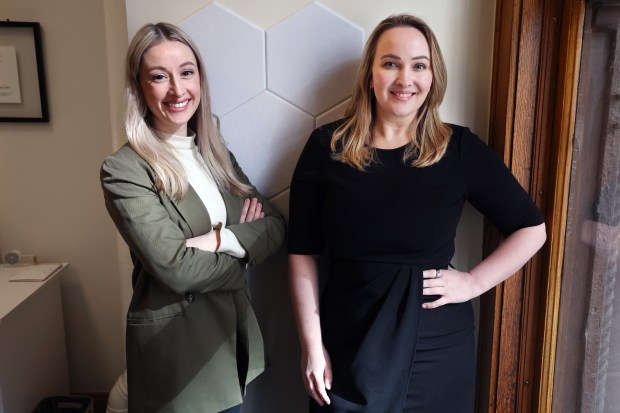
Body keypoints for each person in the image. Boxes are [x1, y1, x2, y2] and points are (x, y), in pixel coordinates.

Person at [287, 13, 547, 412]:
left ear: (432, 76)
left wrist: (474, 282)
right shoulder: (327, 146)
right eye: (390, 63)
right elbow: (302, 251)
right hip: (347, 339)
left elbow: (532, 228)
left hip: (435, 346)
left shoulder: (458, 149)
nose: (405, 79)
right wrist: (311, 343)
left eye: (418, 65)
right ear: (370, 75)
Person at [100, 22, 286, 413]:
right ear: (139, 87)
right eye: (159, 77)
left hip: (230, 339)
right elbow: (176, 268)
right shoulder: (125, 169)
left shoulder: (214, 154)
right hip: (179, 348)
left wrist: (219, 241)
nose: (177, 90)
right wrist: (241, 251)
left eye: (186, 72)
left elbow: (274, 227)